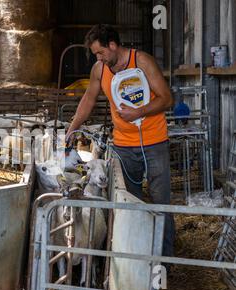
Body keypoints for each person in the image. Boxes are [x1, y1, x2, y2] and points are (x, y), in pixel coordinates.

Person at [66, 24, 175, 258]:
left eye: (100, 52)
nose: (98, 57)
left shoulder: (142, 62)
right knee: (130, 201)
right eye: (96, 54)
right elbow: (88, 99)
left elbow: (167, 99)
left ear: (113, 45)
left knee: (160, 201)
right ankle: (136, 255)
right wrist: (72, 128)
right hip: (124, 146)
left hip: (155, 142)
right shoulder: (99, 69)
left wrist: (138, 112)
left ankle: (165, 259)